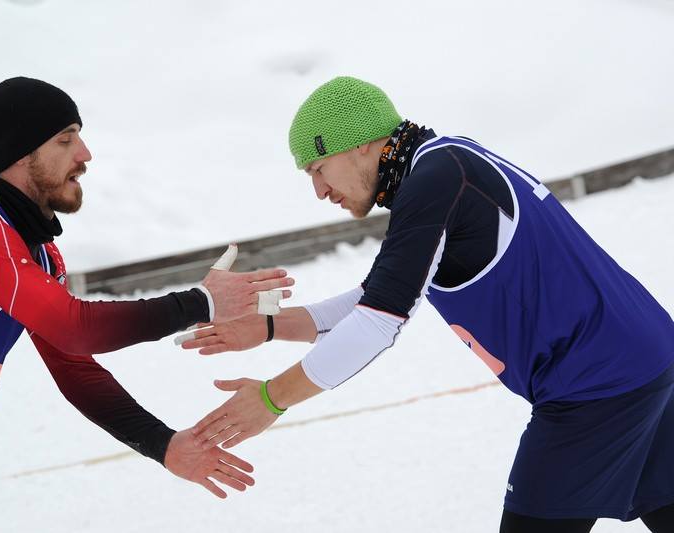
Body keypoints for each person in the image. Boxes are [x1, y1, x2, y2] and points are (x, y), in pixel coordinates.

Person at [180, 77, 674, 532]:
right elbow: (372, 300)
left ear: (358, 144)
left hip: (596, 383)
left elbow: (377, 324)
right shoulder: (444, 163)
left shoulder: (436, 181)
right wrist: (267, 327)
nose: (318, 189)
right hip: (645, 356)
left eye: (317, 167)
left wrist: (271, 399)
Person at [0, 76, 295, 533]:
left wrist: (163, 444)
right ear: (21, 153)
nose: (85, 154)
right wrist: (203, 302)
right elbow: (77, 328)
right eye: (65, 139)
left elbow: (73, 363)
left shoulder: (35, 253)